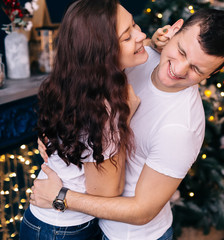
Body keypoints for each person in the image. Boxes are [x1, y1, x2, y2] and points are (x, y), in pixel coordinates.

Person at [31, 8, 224, 240]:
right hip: (89, 225)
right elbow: (81, 85)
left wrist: (61, 197)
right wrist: (54, 139)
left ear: (211, 75)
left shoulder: (182, 128)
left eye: (197, 69)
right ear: (173, 31)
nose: (179, 70)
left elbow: (143, 211)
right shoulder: (138, 56)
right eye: (181, 52)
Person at [20, 0, 148, 239]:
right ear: (102, 53)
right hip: (63, 229)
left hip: (45, 221)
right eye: (127, 36)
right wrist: (124, 120)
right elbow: (107, 192)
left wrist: (159, 41)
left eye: (135, 25)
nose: (141, 35)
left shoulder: (77, 81)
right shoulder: (103, 111)